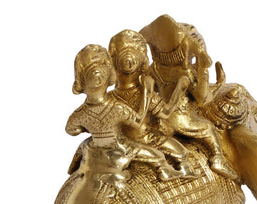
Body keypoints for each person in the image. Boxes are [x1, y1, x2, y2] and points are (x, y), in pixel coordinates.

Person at [140, 14, 239, 180]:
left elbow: (151, 88)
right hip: (182, 119)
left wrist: (219, 84)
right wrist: (203, 70)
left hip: (160, 118)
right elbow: (202, 99)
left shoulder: (155, 69)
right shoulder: (186, 73)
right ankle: (218, 159)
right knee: (209, 129)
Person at [65, 44, 184, 181]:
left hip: (96, 149)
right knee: (157, 156)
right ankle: (165, 172)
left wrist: (90, 127)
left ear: (80, 82)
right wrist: (148, 93)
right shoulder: (117, 108)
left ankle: (73, 171)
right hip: (119, 148)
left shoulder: (80, 113)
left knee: (84, 146)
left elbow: (71, 130)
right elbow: (138, 122)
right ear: (110, 77)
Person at [108, 29, 198, 178]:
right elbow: (166, 113)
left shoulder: (110, 97)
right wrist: (180, 89)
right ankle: (179, 171)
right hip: (144, 139)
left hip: (125, 141)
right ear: (143, 64)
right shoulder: (144, 94)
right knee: (180, 152)